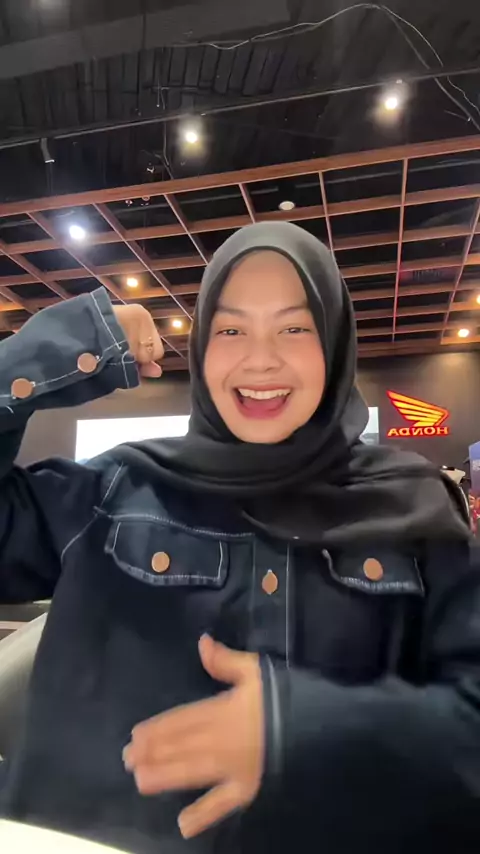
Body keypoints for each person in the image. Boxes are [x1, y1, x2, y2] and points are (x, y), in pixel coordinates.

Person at [0, 222, 478, 854]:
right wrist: (61, 348)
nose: (261, 360)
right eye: (231, 330)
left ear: (334, 343)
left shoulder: (415, 506)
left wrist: (313, 728)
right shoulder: (115, 490)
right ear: (202, 345)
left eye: (294, 328)